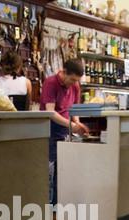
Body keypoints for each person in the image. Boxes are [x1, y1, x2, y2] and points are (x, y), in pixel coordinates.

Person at [40, 58, 89, 205]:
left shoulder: (75, 85)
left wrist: (77, 123)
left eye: (77, 81)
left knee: (62, 174)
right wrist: (71, 125)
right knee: (48, 174)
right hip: (48, 132)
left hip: (64, 133)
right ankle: (47, 210)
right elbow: (50, 112)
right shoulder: (50, 83)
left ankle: (58, 208)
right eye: (72, 79)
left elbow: (74, 108)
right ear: (64, 72)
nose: (74, 84)